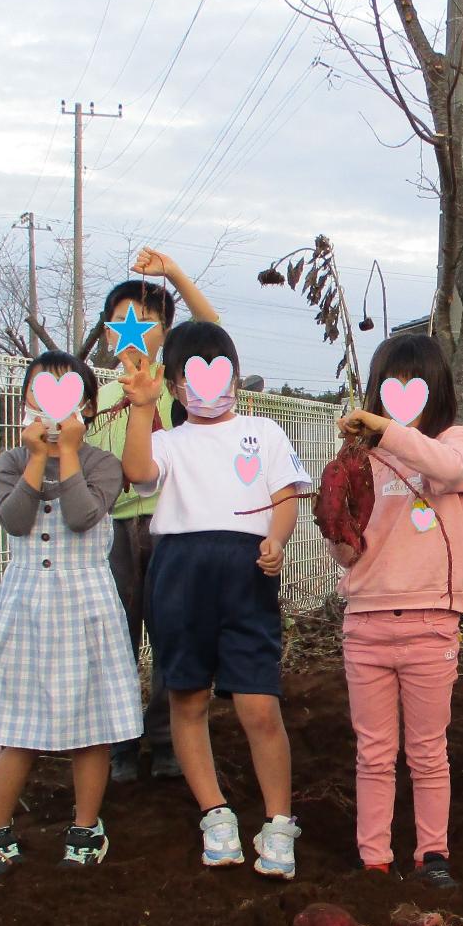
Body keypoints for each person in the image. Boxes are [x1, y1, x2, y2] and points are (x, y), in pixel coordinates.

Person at [119, 321, 311, 878]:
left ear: (234, 375)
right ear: (176, 387)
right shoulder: (167, 441)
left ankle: (279, 823)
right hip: (178, 575)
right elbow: (137, 474)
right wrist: (140, 408)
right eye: (191, 378)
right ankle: (216, 813)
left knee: (258, 704)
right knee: (187, 697)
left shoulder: (264, 431)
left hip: (247, 575)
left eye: (218, 371)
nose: (206, 388)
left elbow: (284, 497)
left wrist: (276, 539)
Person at [0, 351, 141, 878]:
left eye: (67, 397)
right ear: (24, 402)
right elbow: (15, 521)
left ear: (86, 406)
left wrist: (69, 456)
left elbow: (84, 516)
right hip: (26, 606)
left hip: (85, 604)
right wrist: (39, 459)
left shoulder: (103, 464)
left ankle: (85, 826)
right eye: (41, 395)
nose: (52, 410)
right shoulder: (12, 461)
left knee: (92, 725)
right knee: (20, 726)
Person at [328, 334, 463, 886]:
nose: (401, 395)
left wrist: (386, 430)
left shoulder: (457, 442)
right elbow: (347, 544)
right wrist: (336, 523)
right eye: (389, 384)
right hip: (366, 621)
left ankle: (432, 854)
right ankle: (374, 858)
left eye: (413, 383)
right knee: (372, 752)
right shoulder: (361, 458)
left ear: (435, 389)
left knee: (427, 749)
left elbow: (445, 468)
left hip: (430, 621)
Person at [86, 250, 221, 787]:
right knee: (118, 636)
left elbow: (210, 327)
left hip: (172, 526)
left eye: (146, 321)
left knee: (172, 632)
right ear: (107, 334)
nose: (134, 331)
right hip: (113, 530)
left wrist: (174, 274)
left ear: (166, 331)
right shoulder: (98, 397)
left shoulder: (181, 386)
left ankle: (166, 739)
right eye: (121, 322)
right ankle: (121, 742)